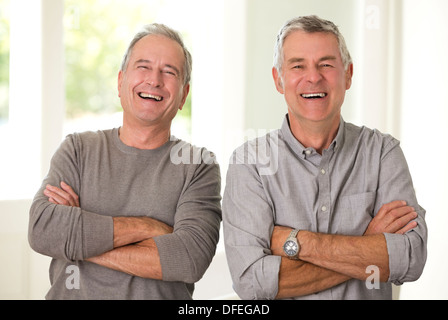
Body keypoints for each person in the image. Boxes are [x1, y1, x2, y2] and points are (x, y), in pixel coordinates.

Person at [222, 15, 427, 300]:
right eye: (298, 66)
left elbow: (411, 259)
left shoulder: (382, 153)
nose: (313, 77)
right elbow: (252, 284)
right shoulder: (249, 164)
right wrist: (368, 245)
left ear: (349, 75)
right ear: (278, 79)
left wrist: (294, 242)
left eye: (326, 65)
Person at [28, 23, 222, 299]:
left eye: (169, 72)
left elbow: (189, 259)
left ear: (183, 95)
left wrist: (79, 238)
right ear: (120, 82)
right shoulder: (77, 149)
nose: (154, 80)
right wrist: (148, 228)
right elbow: (43, 230)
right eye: (143, 67)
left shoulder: (198, 166)